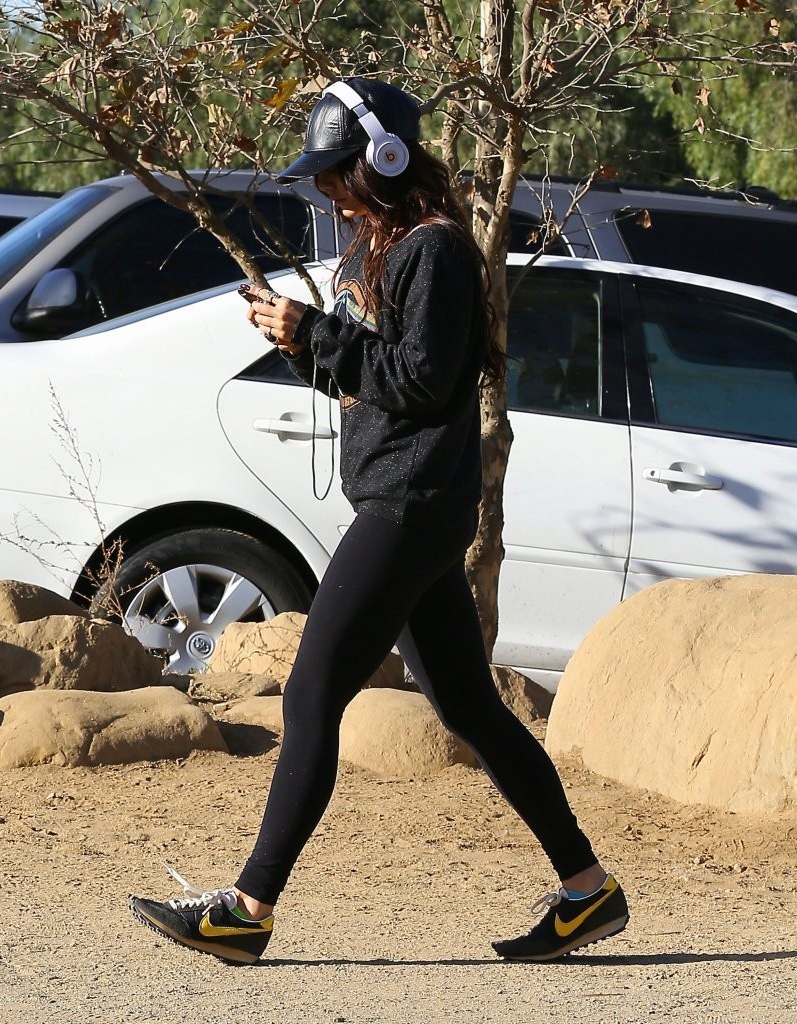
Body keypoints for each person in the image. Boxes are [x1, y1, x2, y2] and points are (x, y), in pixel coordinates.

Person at [129, 77, 629, 965]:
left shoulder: (433, 251)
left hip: (412, 506)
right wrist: (301, 341)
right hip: (407, 500)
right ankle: (587, 890)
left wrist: (317, 333)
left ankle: (247, 908)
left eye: (334, 172)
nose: (326, 190)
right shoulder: (391, 247)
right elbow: (376, 378)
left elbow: (422, 382)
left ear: (384, 161)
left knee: (311, 693)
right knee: (470, 707)